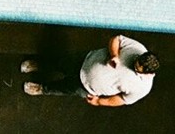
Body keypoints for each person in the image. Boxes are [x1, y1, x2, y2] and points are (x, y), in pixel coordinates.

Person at [22, 34, 159, 107]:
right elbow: (117, 39)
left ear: (146, 73)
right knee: (59, 62)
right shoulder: (138, 49)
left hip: (86, 87)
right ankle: (38, 65)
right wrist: (115, 55)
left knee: (62, 88)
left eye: (136, 68)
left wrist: (100, 102)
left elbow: (122, 99)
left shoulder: (143, 88)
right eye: (135, 61)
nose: (133, 64)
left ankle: (41, 88)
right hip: (84, 60)